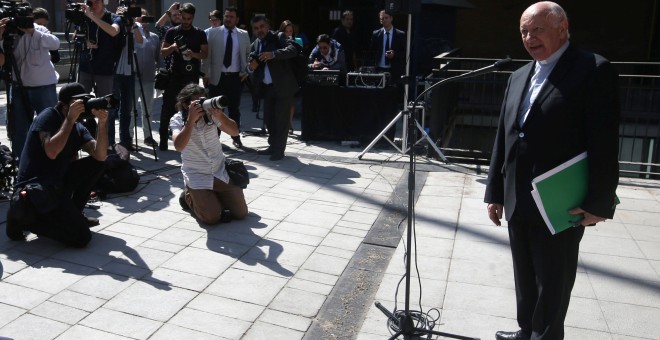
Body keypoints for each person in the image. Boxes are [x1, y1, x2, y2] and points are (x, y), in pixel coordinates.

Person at [484, 2, 620, 340]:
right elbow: (505, 136)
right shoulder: (518, 76)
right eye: (524, 32)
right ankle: (526, 330)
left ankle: (545, 336)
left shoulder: (592, 69)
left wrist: (599, 202)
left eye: (537, 29)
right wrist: (495, 192)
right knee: (525, 275)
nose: (529, 38)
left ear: (562, 28)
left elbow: (603, 142)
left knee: (554, 280)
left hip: (561, 201)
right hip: (518, 196)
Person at [6, 83, 109, 247]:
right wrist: (69, 120)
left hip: (57, 183)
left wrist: (103, 124)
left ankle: (75, 212)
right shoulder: (48, 116)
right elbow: (51, 152)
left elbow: (100, 155)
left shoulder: (79, 127)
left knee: (98, 163)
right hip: (36, 187)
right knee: (81, 237)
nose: (83, 107)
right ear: (65, 104)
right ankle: (24, 219)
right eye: (78, 103)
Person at [170, 84, 248, 224]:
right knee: (212, 218)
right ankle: (188, 197)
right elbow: (178, 146)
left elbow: (234, 132)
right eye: (197, 103)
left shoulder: (211, 115)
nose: (202, 106)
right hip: (197, 174)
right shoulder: (178, 119)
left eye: (203, 100)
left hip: (219, 171)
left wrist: (220, 115)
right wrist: (190, 121)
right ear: (185, 104)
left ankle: (211, 198)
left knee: (241, 213)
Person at [0, 13, 60, 162]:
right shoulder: (9, 32)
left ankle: (53, 163)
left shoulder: (39, 29)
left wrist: (32, 30)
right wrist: (1, 36)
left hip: (44, 86)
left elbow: (55, 44)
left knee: (50, 126)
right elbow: (5, 54)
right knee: (20, 129)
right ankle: (21, 163)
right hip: (19, 87)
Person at [247, 15, 299, 161]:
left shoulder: (279, 36)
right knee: (269, 119)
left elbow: (292, 50)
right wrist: (251, 66)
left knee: (281, 120)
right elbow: (250, 63)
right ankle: (272, 146)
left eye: (262, 27)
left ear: (268, 26)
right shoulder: (256, 43)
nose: (259, 30)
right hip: (267, 87)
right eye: (256, 28)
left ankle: (279, 150)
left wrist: (273, 54)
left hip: (283, 86)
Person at [159, 3, 208, 151]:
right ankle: (163, 140)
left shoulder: (200, 33)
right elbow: (163, 52)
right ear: (179, 15)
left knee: (191, 109)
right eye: (184, 18)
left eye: (189, 18)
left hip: (191, 77)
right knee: (168, 108)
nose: (186, 21)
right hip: (174, 75)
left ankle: (190, 141)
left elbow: (205, 54)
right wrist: (173, 47)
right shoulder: (172, 31)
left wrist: (193, 54)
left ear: (193, 17)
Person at [202, 7, 250, 148]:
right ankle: (214, 138)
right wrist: (205, 74)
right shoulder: (213, 33)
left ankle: (235, 136)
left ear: (237, 19)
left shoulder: (243, 34)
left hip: (235, 78)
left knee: (234, 109)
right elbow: (207, 57)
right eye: (226, 16)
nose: (228, 19)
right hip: (217, 78)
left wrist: (246, 72)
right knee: (215, 110)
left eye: (231, 17)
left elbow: (248, 55)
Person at [109, 6, 144, 151]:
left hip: (130, 72)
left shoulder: (136, 26)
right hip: (115, 71)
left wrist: (133, 24)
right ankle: (110, 142)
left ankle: (125, 141)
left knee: (127, 109)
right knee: (111, 107)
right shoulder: (114, 23)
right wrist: (119, 20)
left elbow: (141, 41)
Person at [77, 0, 121, 107]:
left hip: (105, 69)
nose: (94, 4)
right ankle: (86, 123)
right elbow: (75, 36)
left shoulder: (114, 17)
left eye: (97, 1)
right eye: (91, 2)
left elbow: (113, 31)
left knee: (104, 107)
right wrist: (85, 42)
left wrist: (92, 17)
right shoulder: (84, 18)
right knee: (80, 104)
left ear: (103, 2)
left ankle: (103, 124)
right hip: (85, 67)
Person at [134, 9, 163, 148]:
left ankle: (148, 136)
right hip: (133, 77)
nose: (143, 21)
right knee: (131, 109)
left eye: (145, 18)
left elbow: (159, 57)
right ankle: (129, 137)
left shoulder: (154, 37)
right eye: (140, 18)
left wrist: (163, 72)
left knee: (148, 109)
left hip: (149, 78)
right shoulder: (131, 35)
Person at [369, 9, 406, 85]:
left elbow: (404, 53)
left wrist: (394, 54)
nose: (384, 20)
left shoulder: (400, 35)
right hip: (379, 69)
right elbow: (371, 51)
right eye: (382, 18)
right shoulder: (376, 34)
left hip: (394, 69)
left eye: (386, 18)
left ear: (391, 18)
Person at [277, 19, 296, 135]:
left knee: (291, 101)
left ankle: (289, 123)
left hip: (291, 73)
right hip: (280, 74)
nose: (289, 34)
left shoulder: (295, 42)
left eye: (291, 31)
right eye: (287, 31)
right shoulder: (278, 41)